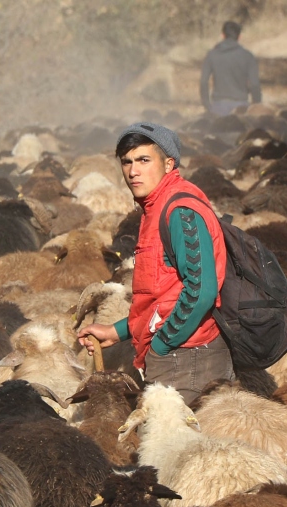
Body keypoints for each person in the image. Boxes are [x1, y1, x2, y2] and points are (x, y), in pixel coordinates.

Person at [77, 123, 235, 406]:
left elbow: (201, 291)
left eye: (143, 160)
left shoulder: (180, 211)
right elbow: (163, 296)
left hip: (188, 359)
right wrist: (117, 332)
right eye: (127, 162)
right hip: (180, 355)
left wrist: (161, 346)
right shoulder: (157, 208)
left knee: (178, 446)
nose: (133, 171)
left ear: (168, 163)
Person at [200, 21, 261, 116]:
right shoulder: (248, 56)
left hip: (218, 106)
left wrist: (207, 105)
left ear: (223, 35)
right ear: (239, 36)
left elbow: (204, 81)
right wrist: (256, 106)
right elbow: (255, 84)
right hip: (242, 107)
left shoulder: (212, 55)